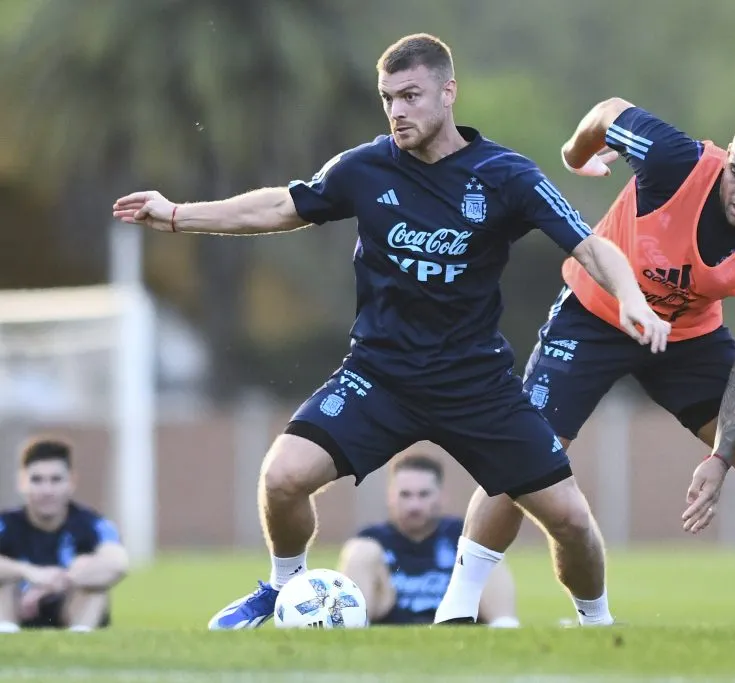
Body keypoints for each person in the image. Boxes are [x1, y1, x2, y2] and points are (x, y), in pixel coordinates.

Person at [112, 34, 670, 630]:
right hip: (380, 376)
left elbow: (590, 247)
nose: (398, 111)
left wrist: (632, 298)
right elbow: (279, 206)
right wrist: (176, 215)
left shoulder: (506, 176)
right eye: (388, 99)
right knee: (282, 477)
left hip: (476, 385)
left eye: (411, 95)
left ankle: (597, 624)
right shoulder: (365, 167)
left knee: (572, 521)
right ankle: (281, 592)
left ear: (448, 93)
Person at [440, 97, 735, 625]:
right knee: (528, 451)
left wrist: (720, 459)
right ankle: (458, 608)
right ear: (729, 156)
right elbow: (607, 111)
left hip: (688, 336)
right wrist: (576, 154)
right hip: (595, 313)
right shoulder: (673, 160)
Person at [339, 452, 518, 627]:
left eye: (423, 494)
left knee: (484, 548)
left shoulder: (461, 534)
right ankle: (352, 626)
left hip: (457, 631)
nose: (414, 505)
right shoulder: (373, 539)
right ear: (390, 497)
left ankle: (504, 626)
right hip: (392, 626)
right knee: (359, 551)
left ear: (441, 497)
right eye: (405, 495)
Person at [0, 438, 129, 632]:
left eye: (56, 480)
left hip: (71, 608)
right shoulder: (6, 524)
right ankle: (7, 636)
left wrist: (60, 581)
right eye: (37, 480)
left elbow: (118, 564)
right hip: (20, 610)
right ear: (22, 482)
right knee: (5, 581)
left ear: (71, 482)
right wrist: (28, 572)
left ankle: (79, 642)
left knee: (93, 581)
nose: (47, 490)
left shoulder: (93, 524)